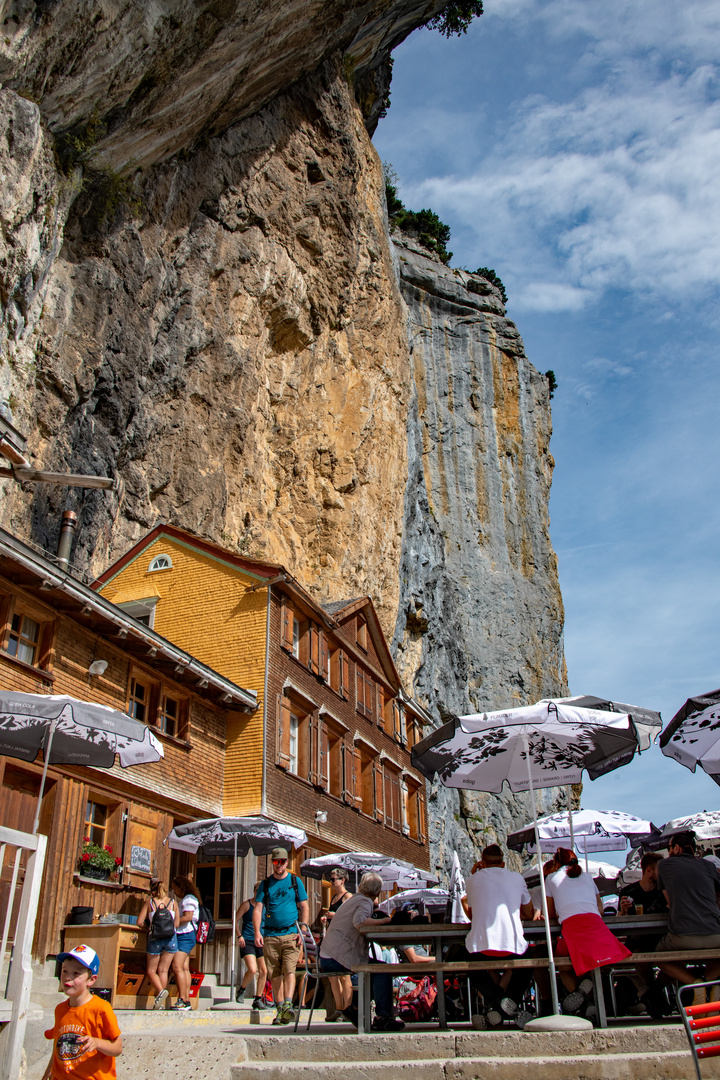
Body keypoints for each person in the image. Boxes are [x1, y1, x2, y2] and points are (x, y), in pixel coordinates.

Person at [545, 847, 631, 1015]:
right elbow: (600, 909)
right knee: (597, 960)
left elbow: (548, 914)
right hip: (596, 927)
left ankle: (586, 1003)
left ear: (556, 863)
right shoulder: (587, 878)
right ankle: (587, 986)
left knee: (563, 966)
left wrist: (562, 911)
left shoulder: (551, 878)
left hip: (571, 928)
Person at [319, 870, 405, 1032]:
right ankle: (382, 1017)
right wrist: (386, 920)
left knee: (375, 969)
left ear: (361, 886)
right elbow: (359, 922)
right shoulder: (365, 902)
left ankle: (357, 1008)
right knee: (382, 970)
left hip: (328, 956)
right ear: (377, 891)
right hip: (338, 958)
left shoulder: (354, 899)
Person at [461, 843, 535, 1029]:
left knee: (467, 963)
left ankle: (496, 1006)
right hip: (513, 946)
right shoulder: (517, 878)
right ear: (503, 863)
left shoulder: (472, 880)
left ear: (482, 863)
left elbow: (472, 914)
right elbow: (528, 912)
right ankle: (508, 1005)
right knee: (528, 963)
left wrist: (474, 872)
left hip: (481, 948)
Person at [655, 830, 720, 1004]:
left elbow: (669, 902)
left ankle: (695, 983)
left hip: (682, 936)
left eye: (669, 848)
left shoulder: (663, 866)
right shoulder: (709, 866)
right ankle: (710, 982)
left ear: (676, 848)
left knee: (659, 956)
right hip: (716, 933)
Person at [42, 944, 122, 1080]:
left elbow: (118, 1048)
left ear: (91, 980)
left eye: (76, 974)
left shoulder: (101, 1008)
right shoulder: (60, 1009)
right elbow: (59, 1046)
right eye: (65, 971)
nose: (68, 977)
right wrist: (48, 1072)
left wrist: (97, 1043)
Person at [253, 847, 309, 1025]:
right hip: (270, 934)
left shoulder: (295, 881)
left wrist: (304, 931)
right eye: (276, 862)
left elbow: (305, 906)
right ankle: (280, 1009)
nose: (279, 865)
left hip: (291, 933)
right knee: (274, 974)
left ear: (287, 862)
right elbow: (258, 908)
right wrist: (257, 933)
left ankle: (287, 1004)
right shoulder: (266, 884)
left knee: (289, 970)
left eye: (282, 862)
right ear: (272, 863)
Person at [618, 852, 668, 1018]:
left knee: (675, 961)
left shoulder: (664, 892)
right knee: (640, 956)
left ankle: (651, 992)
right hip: (638, 942)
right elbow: (619, 922)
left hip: (662, 941)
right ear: (648, 871)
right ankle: (655, 994)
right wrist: (623, 911)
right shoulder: (629, 891)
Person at [137, 878, 179, 1010]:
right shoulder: (173, 903)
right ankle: (160, 1002)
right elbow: (176, 924)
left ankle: (160, 992)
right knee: (163, 970)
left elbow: (139, 922)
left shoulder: (150, 902)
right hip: (171, 939)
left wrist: (148, 927)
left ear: (153, 891)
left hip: (155, 938)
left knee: (151, 971)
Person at [170, 875, 201, 1011]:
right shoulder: (189, 898)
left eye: (175, 889)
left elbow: (188, 917)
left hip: (185, 934)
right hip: (187, 934)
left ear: (181, 887)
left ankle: (182, 999)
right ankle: (187, 999)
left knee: (177, 966)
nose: (174, 892)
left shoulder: (188, 899)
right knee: (184, 968)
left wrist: (173, 921)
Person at [235, 882, 268, 1008]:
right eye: (257, 890)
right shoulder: (247, 904)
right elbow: (235, 920)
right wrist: (239, 936)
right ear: (254, 891)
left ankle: (258, 999)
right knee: (253, 969)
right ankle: (242, 990)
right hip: (248, 940)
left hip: (260, 941)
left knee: (264, 971)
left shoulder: (265, 907)